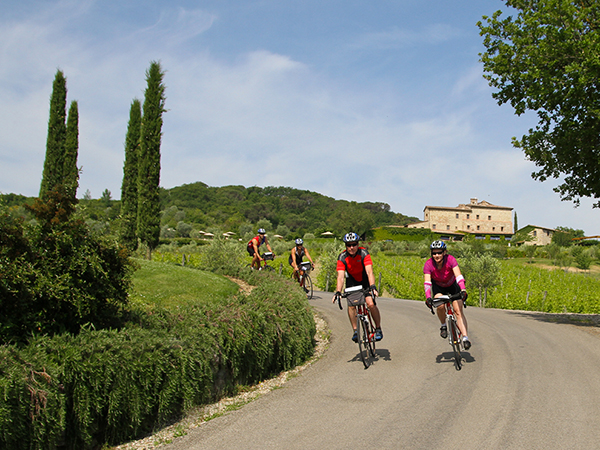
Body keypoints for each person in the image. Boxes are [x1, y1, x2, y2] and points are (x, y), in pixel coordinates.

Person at [331, 232, 383, 342]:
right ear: (345, 246)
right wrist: (338, 292)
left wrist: (373, 287)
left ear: (357, 244)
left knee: (370, 303)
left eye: (354, 244)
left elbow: (369, 272)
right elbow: (340, 277)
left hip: (364, 280)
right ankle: (355, 330)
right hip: (352, 281)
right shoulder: (342, 257)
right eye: (348, 245)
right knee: (351, 305)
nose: (351, 247)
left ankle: (378, 328)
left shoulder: (364, 253)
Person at [423, 240, 471, 349]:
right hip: (439, 287)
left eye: (439, 252)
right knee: (439, 305)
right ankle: (443, 325)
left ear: (444, 252)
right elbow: (427, 282)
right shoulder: (428, 264)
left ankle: (465, 338)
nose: (436, 255)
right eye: (434, 253)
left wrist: (463, 290)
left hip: (452, 286)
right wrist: (428, 297)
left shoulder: (451, 260)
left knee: (458, 311)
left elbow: (458, 276)